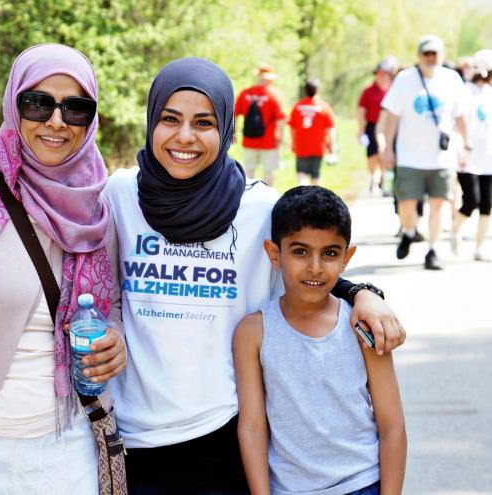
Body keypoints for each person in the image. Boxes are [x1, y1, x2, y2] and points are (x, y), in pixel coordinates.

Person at [103, 57, 406, 494]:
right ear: (151, 120)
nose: (185, 136)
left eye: (203, 122)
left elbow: (310, 269)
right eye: (170, 119)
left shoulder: (259, 207)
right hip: (136, 439)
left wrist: (364, 293)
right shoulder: (120, 195)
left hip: (227, 432)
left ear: (226, 127)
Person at [0, 44, 126, 494]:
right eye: (38, 102)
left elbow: (114, 306)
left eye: (76, 108)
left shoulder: (100, 210)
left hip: (70, 451)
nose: (57, 121)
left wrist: (115, 340)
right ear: (13, 104)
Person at [234, 186, 407, 495]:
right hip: (289, 489)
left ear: (346, 257)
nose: (315, 267)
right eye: (300, 251)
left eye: (329, 253)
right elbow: (252, 426)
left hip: (361, 484)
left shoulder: (363, 324)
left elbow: (392, 425)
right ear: (275, 253)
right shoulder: (253, 332)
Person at [377, 34, 472, 271]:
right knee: (407, 203)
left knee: (438, 205)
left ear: (441, 55)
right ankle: (409, 231)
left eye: (435, 53)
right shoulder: (405, 79)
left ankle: (433, 250)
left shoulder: (451, 79)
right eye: (426, 53)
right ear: (419, 55)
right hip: (410, 156)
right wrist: (387, 147)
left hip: (442, 157)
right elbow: (392, 117)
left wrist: (465, 145)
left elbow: (460, 116)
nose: (430, 58)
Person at [452, 49, 492, 261]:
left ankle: (479, 247)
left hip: (488, 158)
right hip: (468, 157)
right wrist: (460, 149)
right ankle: (455, 229)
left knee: (487, 204)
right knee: (471, 201)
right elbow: (457, 123)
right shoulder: (465, 91)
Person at [235, 64, 287, 186]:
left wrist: (234, 131)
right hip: (269, 142)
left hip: (249, 140)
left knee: (248, 170)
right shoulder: (274, 95)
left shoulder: (245, 93)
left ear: (258, 76)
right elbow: (280, 119)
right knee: (268, 172)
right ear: (270, 79)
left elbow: (234, 114)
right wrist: (281, 137)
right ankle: (267, 197)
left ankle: (248, 196)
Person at [358, 57, 397, 194]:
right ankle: (374, 176)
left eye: (384, 73)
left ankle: (383, 181)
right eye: (379, 73)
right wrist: (361, 130)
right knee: (372, 156)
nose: (381, 76)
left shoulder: (394, 90)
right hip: (372, 126)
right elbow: (361, 111)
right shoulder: (368, 91)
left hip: (389, 127)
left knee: (386, 154)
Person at [288, 79, 337, 186]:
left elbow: (292, 127)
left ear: (305, 90)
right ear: (318, 91)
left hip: (301, 146)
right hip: (318, 147)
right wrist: (332, 146)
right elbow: (331, 129)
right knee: (316, 175)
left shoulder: (297, 106)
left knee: (302, 173)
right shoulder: (324, 107)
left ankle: (303, 196)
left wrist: (292, 143)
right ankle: (315, 199)